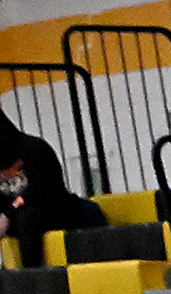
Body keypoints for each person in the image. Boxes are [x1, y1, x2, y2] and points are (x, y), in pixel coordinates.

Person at [0, 107, 105, 257]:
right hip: (18, 219)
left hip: (57, 212)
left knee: (29, 218)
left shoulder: (34, 149)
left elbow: (41, 194)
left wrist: (8, 213)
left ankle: (34, 277)